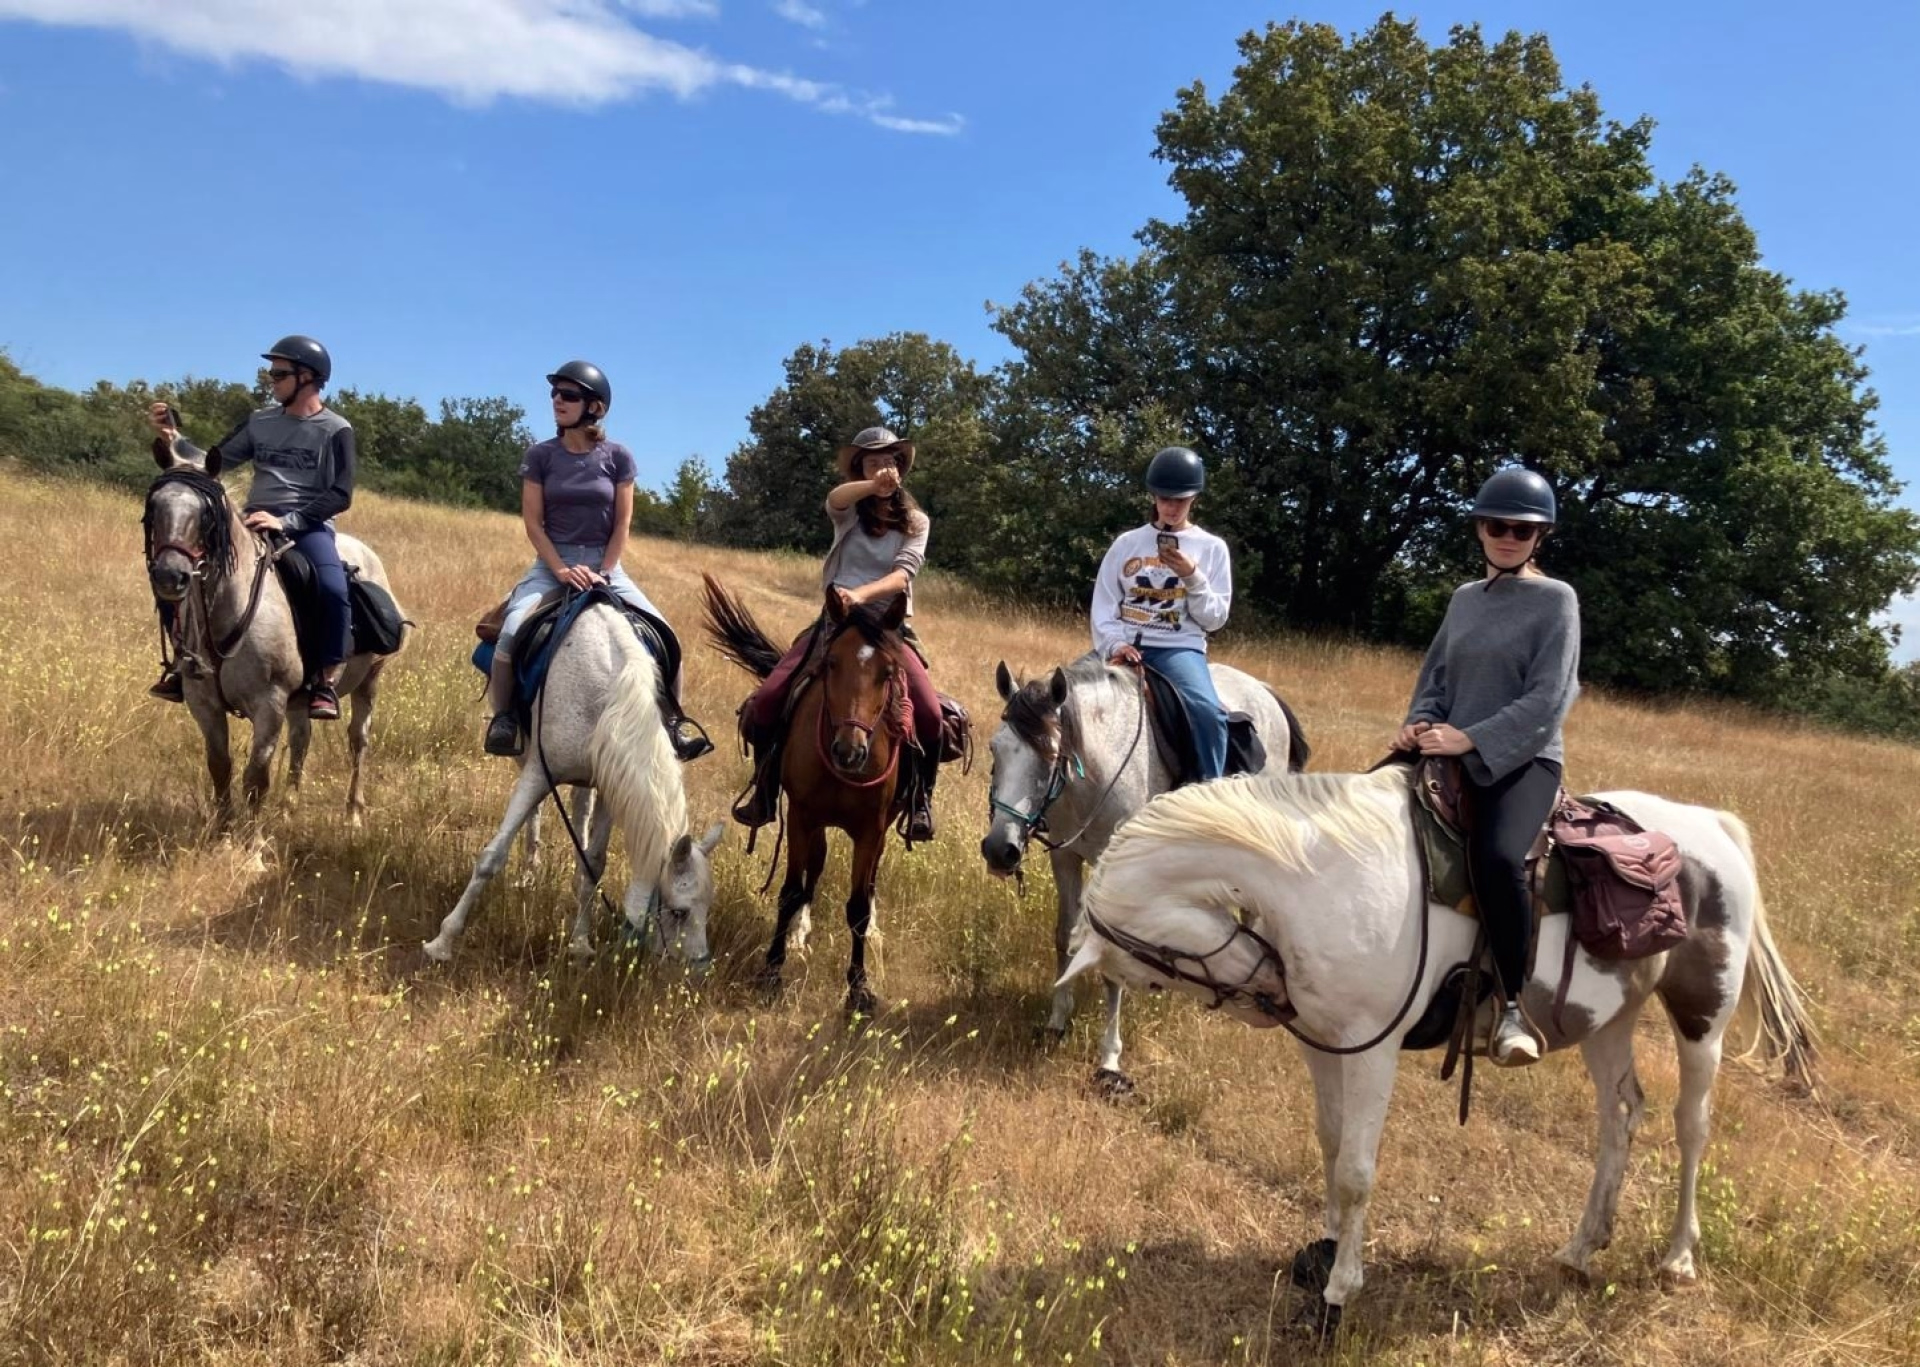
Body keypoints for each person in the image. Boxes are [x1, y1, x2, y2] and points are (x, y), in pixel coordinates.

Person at [1396, 466, 1581, 1068]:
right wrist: (1421, 722)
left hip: (1522, 759)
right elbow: (1437, 676)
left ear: (1539, 537)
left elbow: (1549, 699)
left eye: (1522, 530)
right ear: (1479, 529)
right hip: (1447, 746)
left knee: (1499, 858)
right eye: (1497, 526)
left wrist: (1470, 739)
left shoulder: (1556, 601)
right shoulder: (1464, 599)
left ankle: (1511, 1007)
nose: (1508, 537)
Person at [484, 361, 711, 762]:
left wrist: (604, 571)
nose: (557, 400)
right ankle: (505, 720)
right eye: (555, 393)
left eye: (568, 395)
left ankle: (673, 724)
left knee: (666, 635)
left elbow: (623, 522)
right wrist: (560, 569)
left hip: (607, 566)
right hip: (552, 564)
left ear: (595, 407)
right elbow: (533, 524)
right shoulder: (540, 456)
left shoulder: (618, 456)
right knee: (512, 629)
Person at [732, 426, 944, 842]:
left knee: (932, 716)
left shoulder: (917, 522)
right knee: (769, 698)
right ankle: (765, 789)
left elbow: (903, 576)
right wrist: (871, 486)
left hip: (887, 628)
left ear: (901, 468)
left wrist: (859, 594)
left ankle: (921, 799)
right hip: (835, 623)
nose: (883, 467)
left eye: (889, 461)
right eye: (872, 461)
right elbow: (836, 498)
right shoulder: (848, 512)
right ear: (859, 469)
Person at [147, 334, 356, 720]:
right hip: (252, 519)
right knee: (177, 569)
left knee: (332, 588)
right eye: (271, 373)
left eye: (278, 374)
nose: (270, 380)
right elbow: (214, 461)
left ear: (307, 377)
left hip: (307, 526)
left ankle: (325, 681)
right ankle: (182, 661)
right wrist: (174, 437)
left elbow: (341, 493)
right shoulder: (260, 422)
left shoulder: (336, 429)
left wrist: (288, 520)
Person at [1089, 445, 1233, 780]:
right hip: (1123, 645)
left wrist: (1192, 576)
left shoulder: (1212, 548)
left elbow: (1215, 618)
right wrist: (1116, 644)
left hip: (1178, 649)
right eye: (1165, 499)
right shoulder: (1127, 544)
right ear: (1153, 496)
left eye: (1180, 500)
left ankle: (1210, 791)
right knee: (1064, 698)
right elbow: (1104, 606)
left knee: (1208, 714)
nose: (1171, 507)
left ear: (1194, 498)